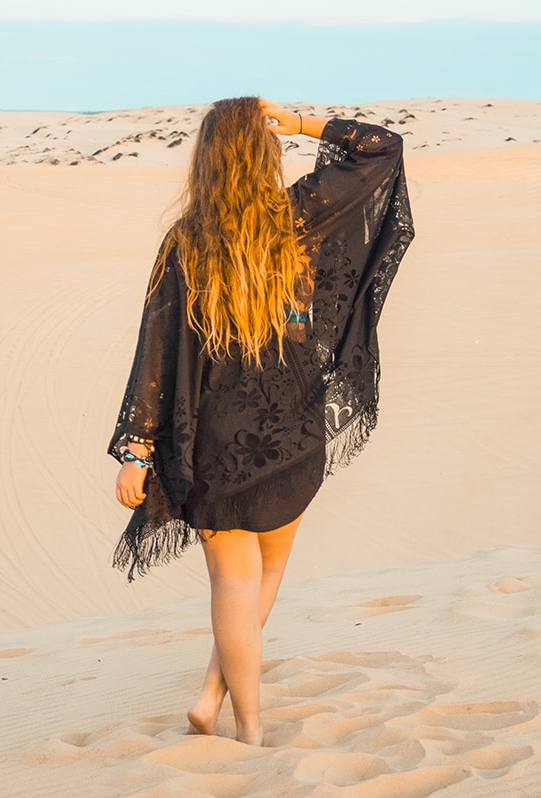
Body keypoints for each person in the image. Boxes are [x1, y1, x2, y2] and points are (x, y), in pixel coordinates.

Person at [109, 97, 413, 746]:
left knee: (232, 582)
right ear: (265, 154)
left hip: (217, 439)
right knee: (267, 575)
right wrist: (305, 124)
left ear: (207, 162)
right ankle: (216, 700)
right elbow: (382, 147)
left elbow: (155, 353)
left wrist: (138, 449)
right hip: (294, 431)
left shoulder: (185, 241)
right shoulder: (303, 215)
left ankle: (241, 720)